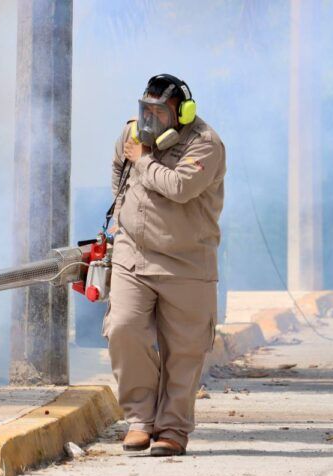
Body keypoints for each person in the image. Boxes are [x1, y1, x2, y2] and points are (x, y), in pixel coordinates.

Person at [102, 74, 226, 456]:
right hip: (133, 257)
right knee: (123, 328)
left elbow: (179, 187)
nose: (149, 119)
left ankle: (173, 428)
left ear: (183, 113)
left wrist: (143, 161)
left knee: (184, 352)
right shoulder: (130, 134)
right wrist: (125, 221)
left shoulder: (205, 144)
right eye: (146, 109)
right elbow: (117, 176)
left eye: (160, 111)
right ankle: (140, 419)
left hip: (186, 263)